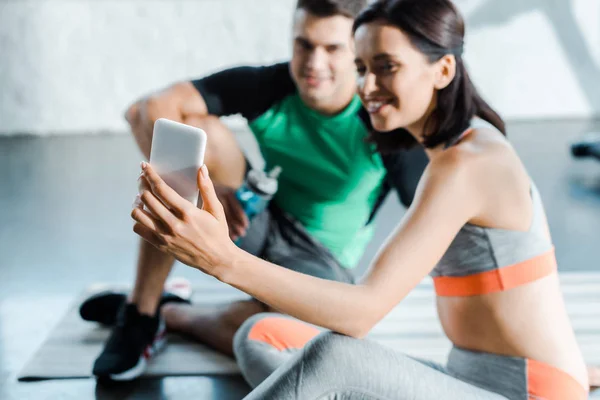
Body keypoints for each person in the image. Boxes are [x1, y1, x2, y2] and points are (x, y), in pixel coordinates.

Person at [129, 0, 595, 398]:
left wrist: (222, 259)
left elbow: (362, 312)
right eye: (363, 68)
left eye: (386, 67)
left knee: (334, 355)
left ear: (443, 69)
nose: (366, 88)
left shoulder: (467, 163)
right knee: (262, 333)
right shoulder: (453, 154)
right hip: (467, 379)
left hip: (526, 392)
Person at [91, 0, 429, 381]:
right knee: (197, 134)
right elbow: (146, 109)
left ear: (358, 53)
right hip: (255, 217)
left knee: (316, 346)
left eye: (332, 49)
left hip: (320, 261)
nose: (314, 63)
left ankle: (171, 314)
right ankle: (141, 312)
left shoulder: (384, 118)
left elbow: (431, 214)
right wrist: (203, 185)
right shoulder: (272, 84)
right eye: (304, 44)